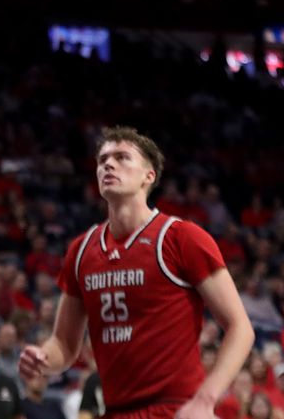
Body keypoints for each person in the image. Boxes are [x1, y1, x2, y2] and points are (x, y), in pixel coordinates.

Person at [19, 128, 255, 419]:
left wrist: (206, 398)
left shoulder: (182, 237)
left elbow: (240, 327)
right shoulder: (81, 251)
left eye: (122, 158)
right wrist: (43, 358)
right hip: (116, 410)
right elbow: (64, 345)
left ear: (149, 176)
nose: (108, 164)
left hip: (177, 409)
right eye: (103, 159)